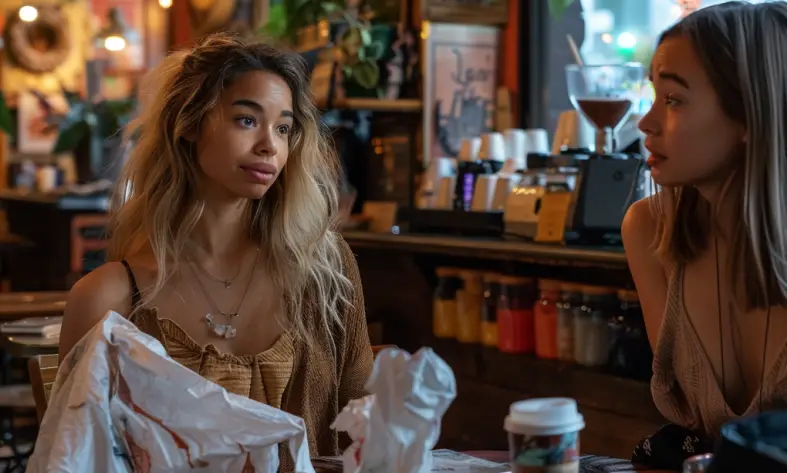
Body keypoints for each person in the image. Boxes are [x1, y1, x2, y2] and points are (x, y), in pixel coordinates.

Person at [58, 33, 374, 467]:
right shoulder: (109, 299)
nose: (270, 145)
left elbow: (368, 430)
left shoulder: (325, 271)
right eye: (247, 120)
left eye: (283, 128)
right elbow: (76, 457)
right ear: (187, 124)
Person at [623, 2, 787, 470]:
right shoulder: (651, 231)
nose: (646, 122)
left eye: (672, 100)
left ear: (751, 116)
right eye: (654, 96)